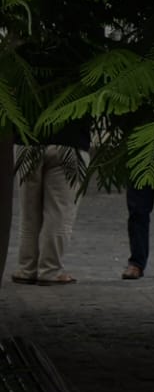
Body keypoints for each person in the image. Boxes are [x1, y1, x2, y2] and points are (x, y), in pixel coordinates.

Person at [12, 121, 87, 286]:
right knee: (60, 213)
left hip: (27, 140)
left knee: (28, 213)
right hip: (69, 141)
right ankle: (50, 270)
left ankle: (26, 269)